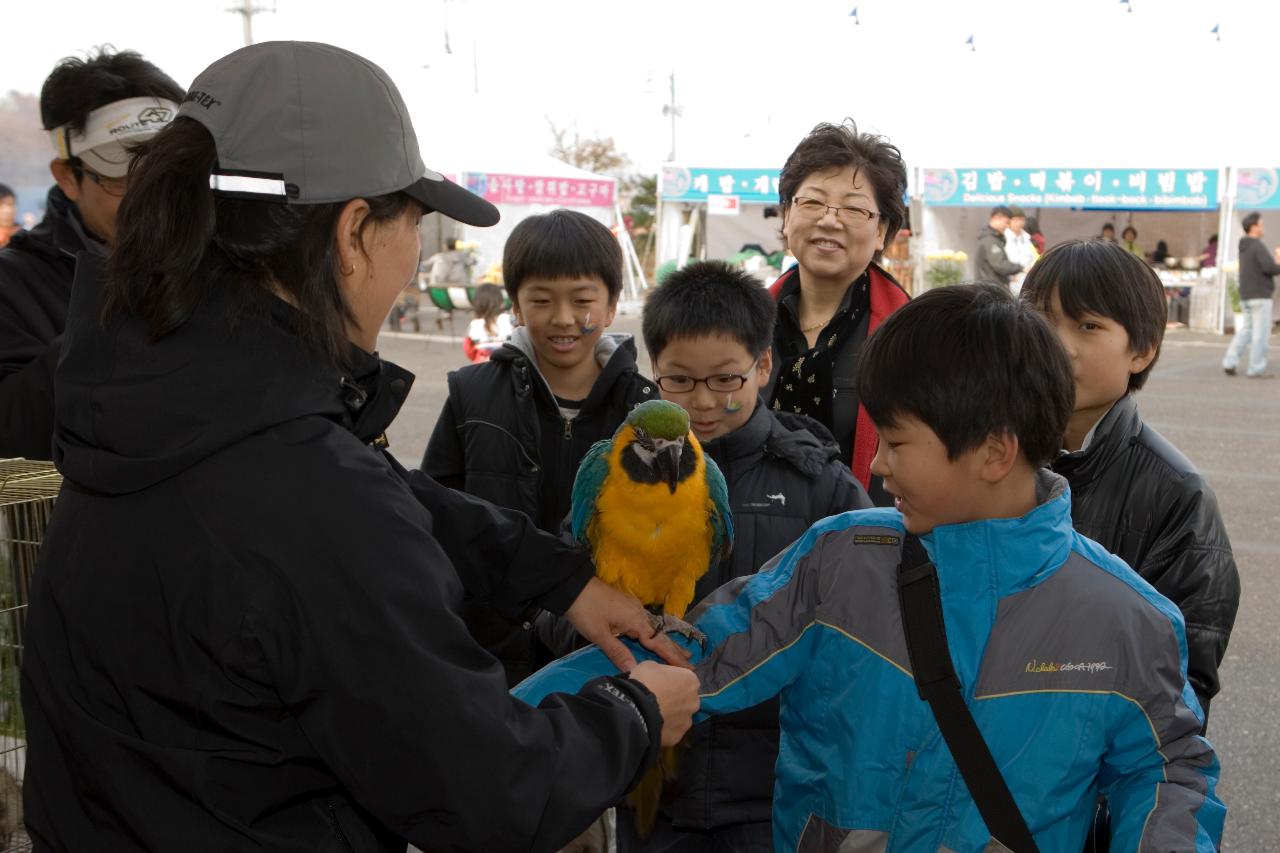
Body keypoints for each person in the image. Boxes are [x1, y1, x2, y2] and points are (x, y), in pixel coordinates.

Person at [21, 41, 699, 852]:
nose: (413, 258)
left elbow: (379, 489)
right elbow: (487, 787)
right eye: (412, 222)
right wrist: (632, 712)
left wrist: (559, 577)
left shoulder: (154, 394)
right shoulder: (307, 492)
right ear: (351, 233)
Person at [517, 283, 1225, 852]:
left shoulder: (1125, 619)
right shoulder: (842, 561)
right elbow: (685, 652)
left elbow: (1168, 770)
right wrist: (499, 729)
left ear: (992, 451)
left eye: (895, 441)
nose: (876, 465)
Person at [609, 260, 871, 851]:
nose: (703, 403)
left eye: (726, 380)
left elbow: (862, 634)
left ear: (763, 366)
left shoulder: (820, 485)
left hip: (775, 794)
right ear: (655, 374)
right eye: (679, 381)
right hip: (651, 778)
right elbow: (566, 595)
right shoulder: (616, 473)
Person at [1022, 240, 1240, 850]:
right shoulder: (987, 453)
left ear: (1141, 349)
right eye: (1041, 319)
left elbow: (1178, 691)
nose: (1058, 343)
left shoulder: (1177, 495)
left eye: (1088, 325)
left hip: (1088, 804)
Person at [423, 208, 658, 685]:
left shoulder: (645, 409)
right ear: (515, 305)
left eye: (582, 299)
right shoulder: (472, 394)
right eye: (543, 300)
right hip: (485, 652)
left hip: (604, 654)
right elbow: (432, 517)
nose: (564, 318)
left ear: (612, 305)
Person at [0, 48, 182, 460]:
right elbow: (11, 428)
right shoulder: (12, 285)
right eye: (124, 179)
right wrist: (128, 302)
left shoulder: (232, 262)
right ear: (68, 177)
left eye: (169, 176)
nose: (151, 199)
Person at [764, 120, 910, 504]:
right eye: (811, 202)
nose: (829, 219)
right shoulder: (743, 323)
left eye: (854, 209)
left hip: (866, 546)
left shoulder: (914, 337)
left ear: (883, 232)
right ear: (786, 215)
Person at [1223, 212, 1280, 377]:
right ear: (1254, 227)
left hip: (1246, 295)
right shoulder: (1257, 245)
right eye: (1261, 225)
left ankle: (1230, 361)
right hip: (1260, 296)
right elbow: (1269, 268)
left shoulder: (1244, 247)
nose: (1263, 228)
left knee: (1246, 330)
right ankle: (1256, 368)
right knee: (1260, 334)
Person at [973, 204, 1023, 288]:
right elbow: (999, 265)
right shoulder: (989, 240)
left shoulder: (993, 238)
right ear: (996, 218)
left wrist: (1007, 279)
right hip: (989, 290)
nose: (1007, 226)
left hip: (990, 287)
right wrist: (1021, 268)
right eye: (1006, 222)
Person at [463, 281, 514, 362]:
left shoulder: (473, 325)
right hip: (507, 366)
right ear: (501, 302)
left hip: (482, 368)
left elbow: (469, 352)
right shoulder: (510, 320)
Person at [1002, 204, 1035, 270]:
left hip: (1026, 278)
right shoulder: (1002, 238)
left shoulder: (1027, 238)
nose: (1019, 223)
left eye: (1022, 220)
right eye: (1015, 220)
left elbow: (1034, 258)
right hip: (1008, 278)